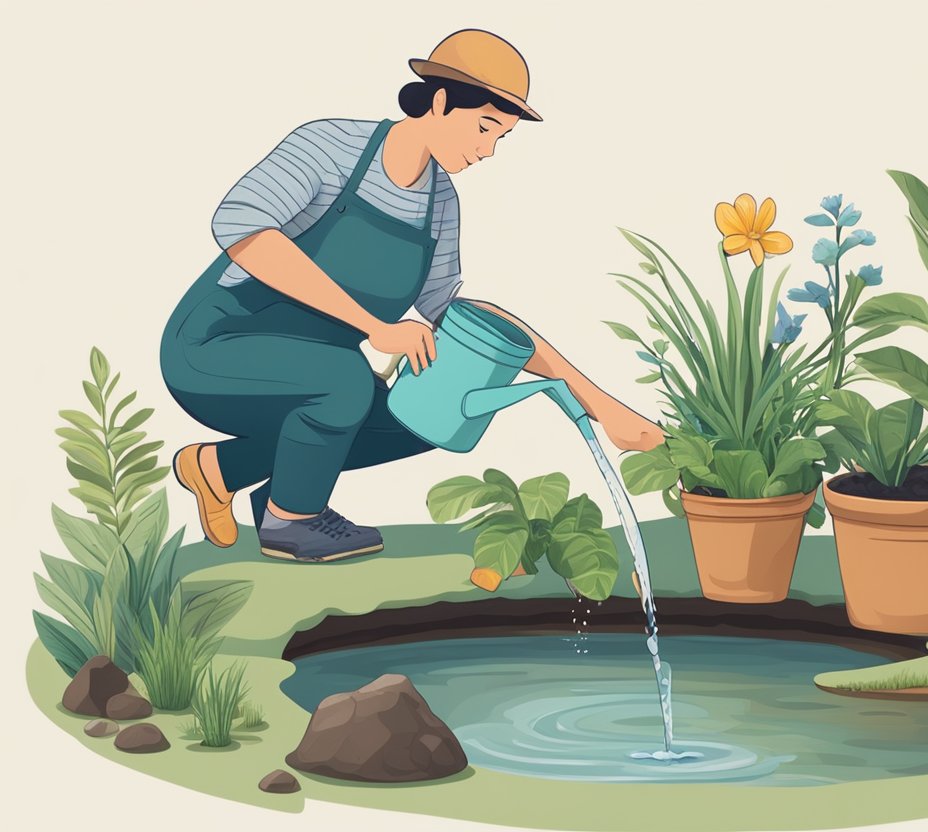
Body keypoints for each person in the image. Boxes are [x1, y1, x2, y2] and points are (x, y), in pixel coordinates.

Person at [159, 29, 664, 563]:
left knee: (430, 415)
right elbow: (242, 228)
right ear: (440, 101)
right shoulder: (331, 145)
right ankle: (292, 522)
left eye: (501, 138)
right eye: (484, 127)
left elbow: (458, 315)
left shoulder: (439, 203)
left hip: (317, 372)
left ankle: (225, 472)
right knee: (345, 382)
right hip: (215, 347)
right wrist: (375, 327)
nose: (487, 150)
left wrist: (602, 406)